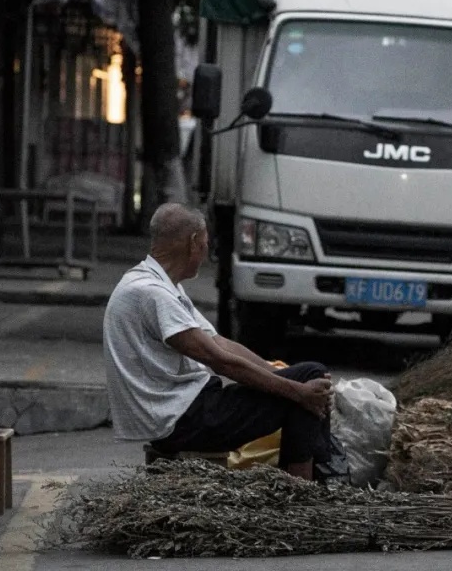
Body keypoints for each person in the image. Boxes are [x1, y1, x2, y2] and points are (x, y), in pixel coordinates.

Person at [103, 202, 335, 480]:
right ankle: (303, 492)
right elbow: (220, 361)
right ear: (193, 242)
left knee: (306, 380)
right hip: (182, 420)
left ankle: (311, 481)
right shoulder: (151, 293)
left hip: (184, 413)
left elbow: (219, 342)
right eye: (205, 244)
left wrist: (278, 373)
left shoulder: (159, 285)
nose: (206, 254)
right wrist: (297, 391)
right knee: (309, 381)